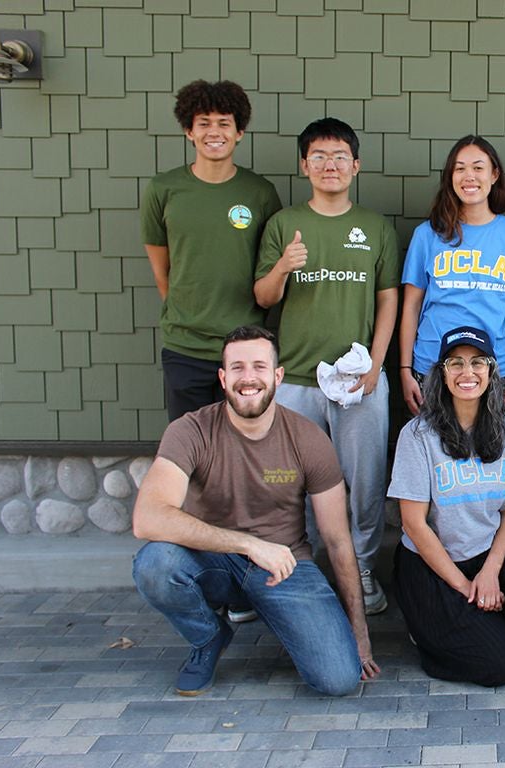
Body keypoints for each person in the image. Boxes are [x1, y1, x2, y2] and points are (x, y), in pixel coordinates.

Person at [131, 326, 379, 697]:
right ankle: (208, 637)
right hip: (212, 562)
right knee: (155, 564)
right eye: (238, 368)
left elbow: (338, 540)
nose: (249, 378)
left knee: (339, 679)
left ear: (277, 376)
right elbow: (147, 517)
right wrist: (249, 545)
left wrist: (359, 632)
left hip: (285, 568)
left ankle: (284, 615)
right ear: (223, 377)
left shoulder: (309, 438)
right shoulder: (191, 431)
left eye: (260, 367)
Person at [254, 118, 400, 616]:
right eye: (318, 156)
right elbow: (263, 297)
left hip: (359, 378)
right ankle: (311, 568)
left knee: (363, 479)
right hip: (295, 378)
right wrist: (282, 266)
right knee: (297, 480)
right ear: (304, 165)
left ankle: (360, 567)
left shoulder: (376, 227)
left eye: (339, 156)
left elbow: (387, 300)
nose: (329, 165)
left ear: (355, 165)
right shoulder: (283, 225)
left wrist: (377, 364)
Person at [388, 326, 505, 687]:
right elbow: (414, 524)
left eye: (477, 363)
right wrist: (464, 586)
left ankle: (485, 628)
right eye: (455, 363)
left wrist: (490, 572)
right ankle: (438, 634)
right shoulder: (417, 436)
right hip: (433, 562)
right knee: (499, 668)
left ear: (491, 371)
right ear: (441, 373)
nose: (467, 372)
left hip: (487, 547)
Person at [142, 80, 282, 422]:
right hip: (184, 346)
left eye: (224, 123)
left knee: (245, 440)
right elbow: (162, 270)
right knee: (190, 442)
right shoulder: (164, 189)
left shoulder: (260, 193)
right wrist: (188, 312)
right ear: (189, 131)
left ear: (239, 132)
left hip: (244, 346)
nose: (213, 132)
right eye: (203, 123)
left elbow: (269, 269)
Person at [399, 136, 505, 417]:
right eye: (460, 168)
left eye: (478, 168)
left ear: (494, 174)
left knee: (491, 454)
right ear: (450, 176)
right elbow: (411, 306)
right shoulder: (427, 235)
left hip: (495, 367)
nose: (469, 177)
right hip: (432, 365)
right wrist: (404, 369)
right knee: (437, 454)